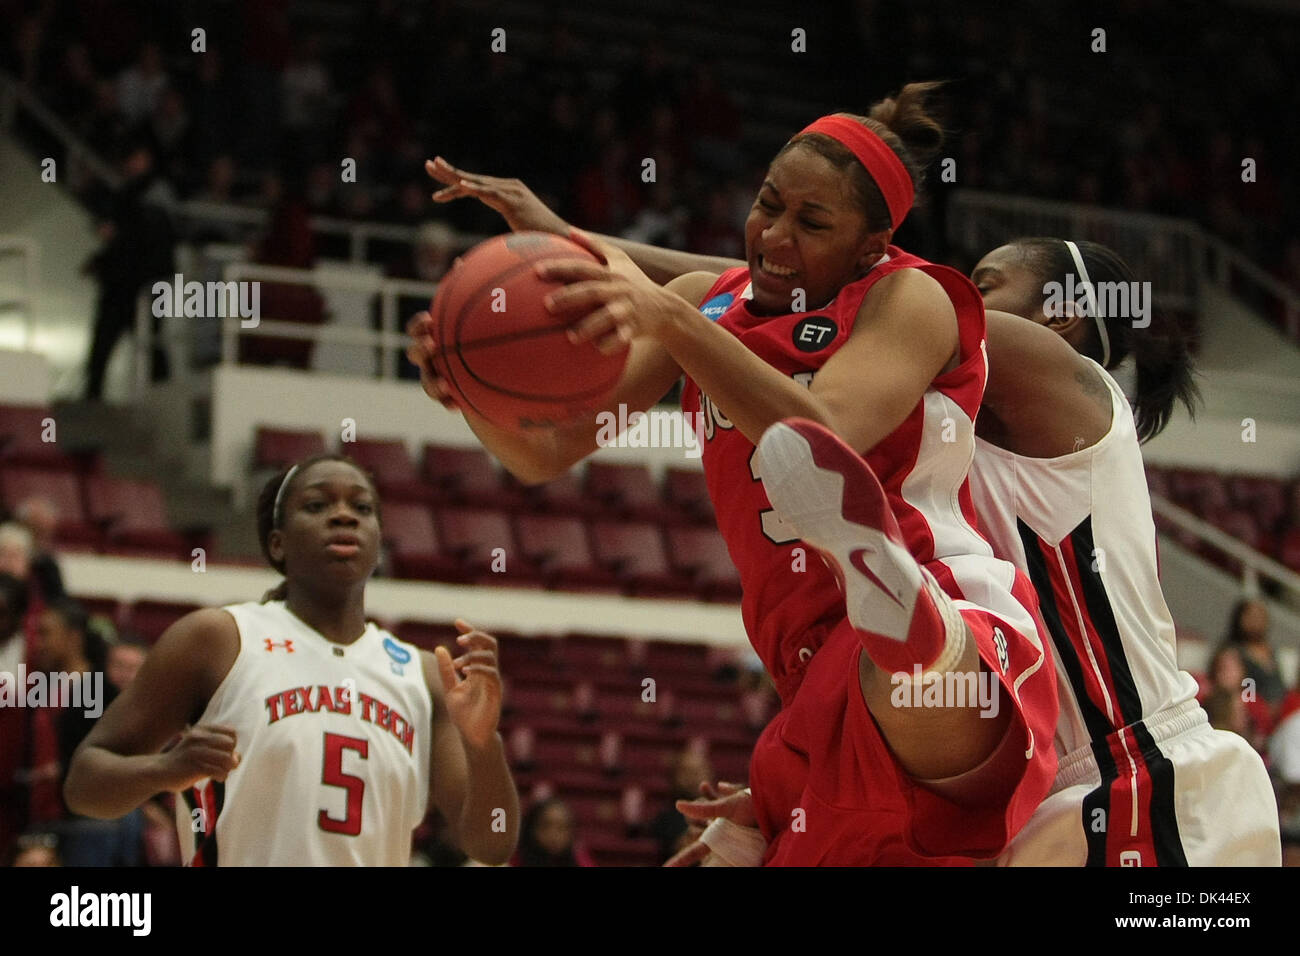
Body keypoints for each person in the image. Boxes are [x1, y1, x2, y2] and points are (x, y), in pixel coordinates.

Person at [411, 83, 1060, 865]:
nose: (774, 234)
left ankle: (904, 606)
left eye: (811, 222)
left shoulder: (907, 295)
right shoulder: (705, 303)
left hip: (952, 606)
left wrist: (672, 319)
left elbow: (826, 433)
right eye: (768, 204)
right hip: (808, 680)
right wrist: (467, 388)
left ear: (869, 245)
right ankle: (886, 610)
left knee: (909, 677)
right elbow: (543, 454)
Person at [963, 238, 1279, 865]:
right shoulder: (961, 419)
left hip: (1136, 769)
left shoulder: (1064, 382)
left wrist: (714, 300)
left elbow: (880, 308)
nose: (965, 298)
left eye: (986, 284)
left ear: (1059, 314)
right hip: (1064, 787)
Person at [64, 454, 520, 865]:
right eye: (317, 506)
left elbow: (491, 843)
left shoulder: (421, 675)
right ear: (277, 544)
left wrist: (483, 746)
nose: (343, 516)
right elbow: (84, 786)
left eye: (361, 508)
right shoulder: (218, 639)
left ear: (378, 539)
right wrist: (166, 770)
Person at [513, 797, 595, 867]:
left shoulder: (579, 859)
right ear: (531, 828)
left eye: (562, 828)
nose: (553, 834)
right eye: (545, 826)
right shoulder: (514, 859)